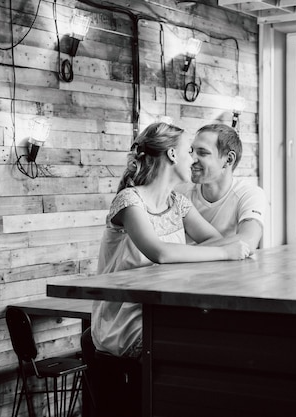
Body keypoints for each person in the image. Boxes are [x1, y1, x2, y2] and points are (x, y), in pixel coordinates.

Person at [83, 122, 250, 416]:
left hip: (160, 310)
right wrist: (223, 253)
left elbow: (213, 238)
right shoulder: (129, 201)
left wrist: (195, 254)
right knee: (202, 350)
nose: (194, 161)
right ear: (172, 154)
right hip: (124, 321)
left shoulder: (179, 203)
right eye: (189, 151)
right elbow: (160, 253)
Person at [176, 124, 266, 252]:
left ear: (229, 159)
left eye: (202, 153)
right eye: (191, 152)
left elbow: (248, 241)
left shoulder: (249, 194)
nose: (191, 159)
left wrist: (177, 253)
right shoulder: (180, 192)